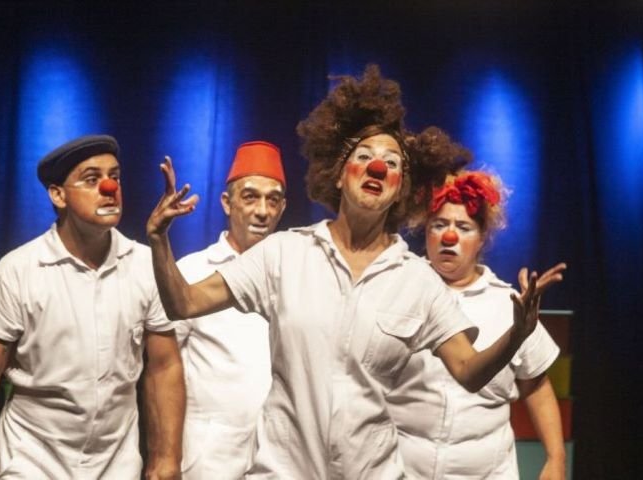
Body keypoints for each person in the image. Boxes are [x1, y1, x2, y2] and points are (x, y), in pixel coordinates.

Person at [146, 65, 565, 478]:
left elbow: (469, 372)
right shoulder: (284, 253)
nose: (377, 168)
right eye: (363, 157)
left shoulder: (417, 279)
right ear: (338, 176)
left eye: (391, 163)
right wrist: (160, 240)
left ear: (399, 189)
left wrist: (516, 335)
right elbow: (184, 302)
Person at [0, 135, 185, 480]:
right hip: (31, 458)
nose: (109, 188)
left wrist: (167, 456)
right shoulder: (17, 271)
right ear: (58, 195)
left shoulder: (146, 265)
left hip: (116, 461)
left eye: (114, 176)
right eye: (92, 179)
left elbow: (164, 365)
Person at [387, 170, 567, 479]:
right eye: (439, 225)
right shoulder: (398, 291)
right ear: (426, 231)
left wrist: (556, 457)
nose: (449, 237)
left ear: (482, 237)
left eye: (463, 227)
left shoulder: (508, 304)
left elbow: (536, 384)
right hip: (402, 469)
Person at [171, 141, 286, 478]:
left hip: (277, 455)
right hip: (208, 456)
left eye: (272, 200)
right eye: (250, 197)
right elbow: (163, 369)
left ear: (282, 208)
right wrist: (165, 453)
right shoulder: (193, 271)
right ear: (227, 202)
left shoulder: (294, 273)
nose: (262, 211)